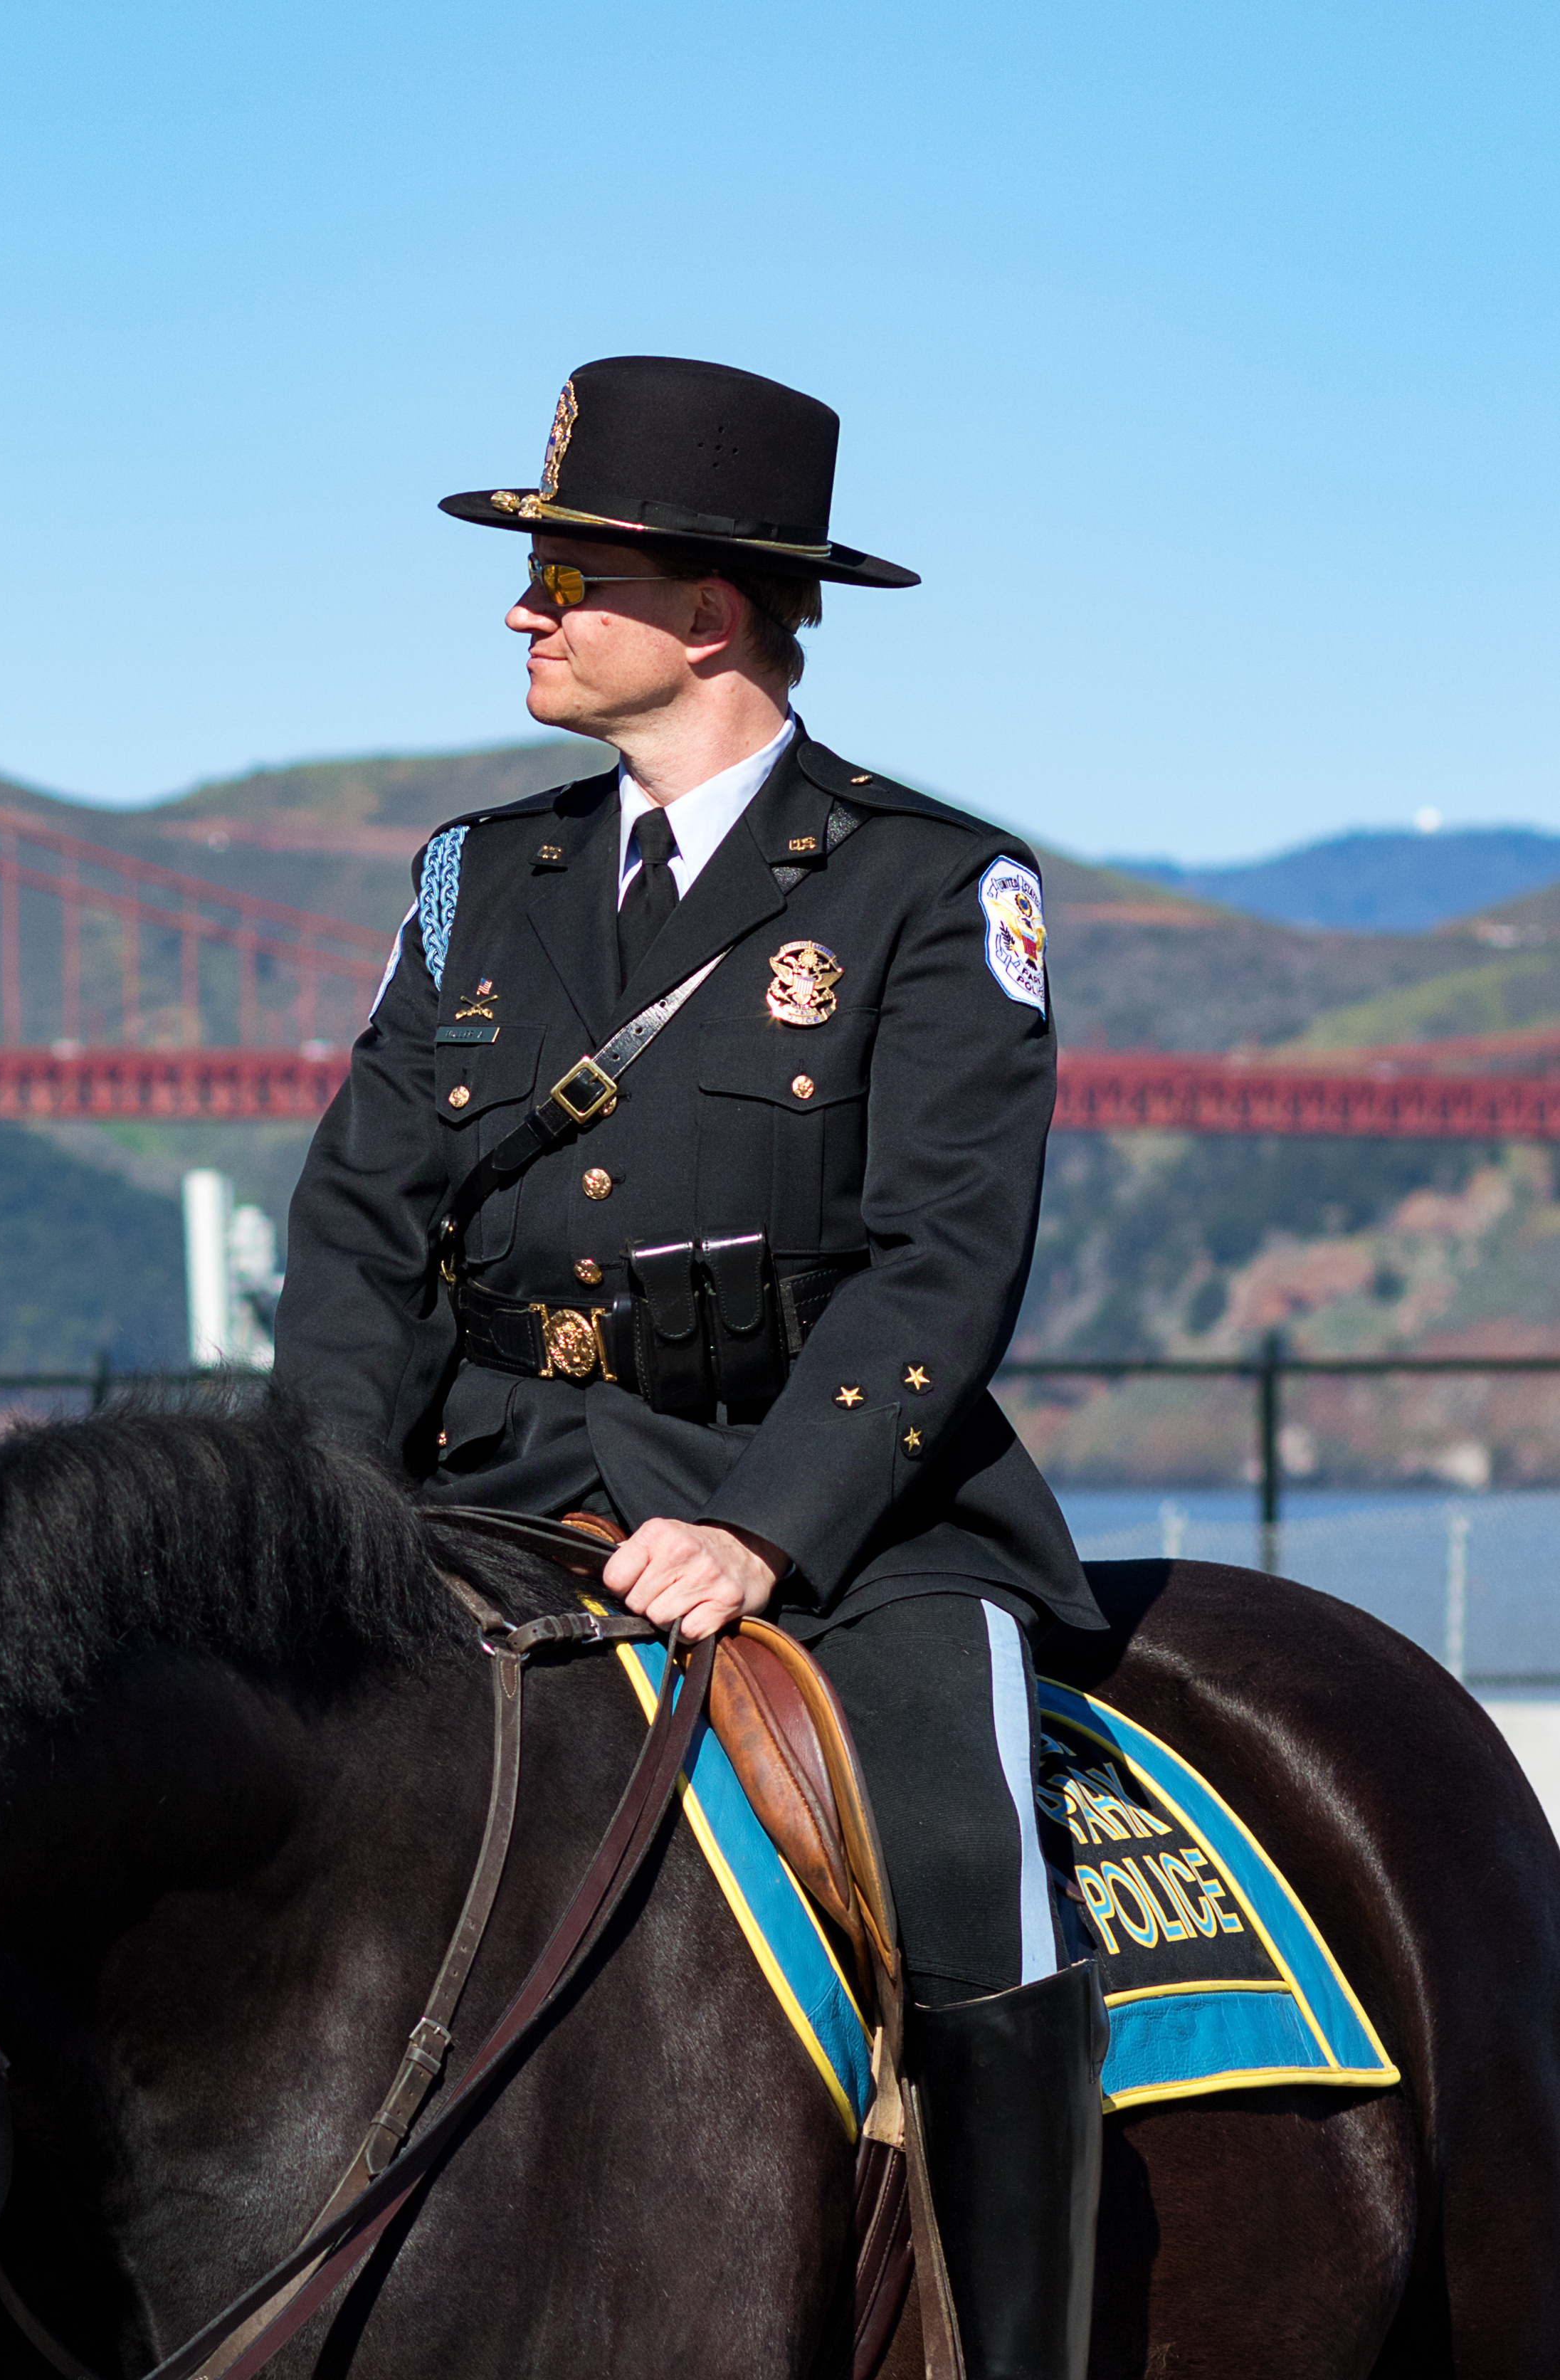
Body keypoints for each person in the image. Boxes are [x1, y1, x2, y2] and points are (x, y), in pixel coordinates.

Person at [275, 357, 1107, 2380]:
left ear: (714, 609)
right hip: (488, 1482)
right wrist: (319, 1514)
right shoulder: (479, 882)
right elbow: (364, 1222)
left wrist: (756, 1532)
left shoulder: (928, 890)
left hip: (827, 1509)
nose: (521, 606)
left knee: (964, 1861)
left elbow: (940, 1262)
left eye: (567, 569)